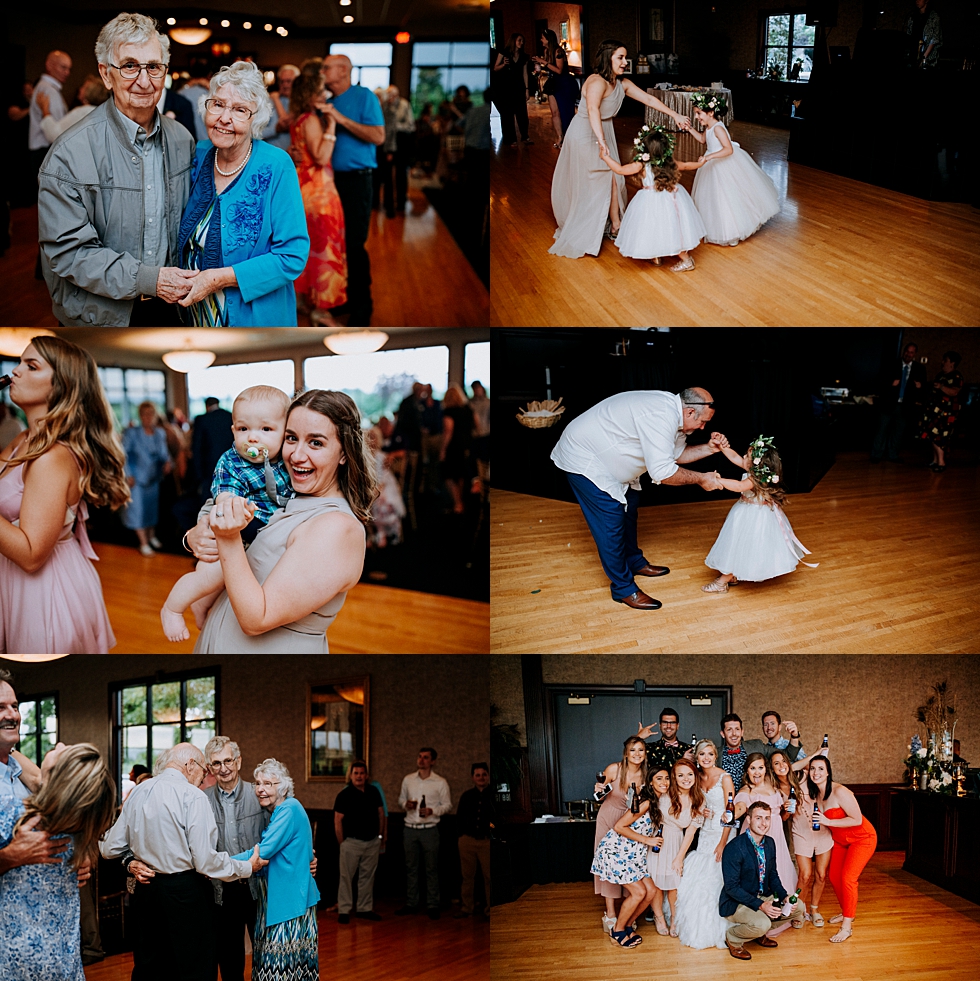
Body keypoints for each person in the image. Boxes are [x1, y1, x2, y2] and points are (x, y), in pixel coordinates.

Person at [186, 390, 377, 653]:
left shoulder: (337, 527)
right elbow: (222, 509)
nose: (297, 455)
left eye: (316, 443)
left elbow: (257, 619)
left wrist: (227, 538)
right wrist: (197, 535)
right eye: (291, 438)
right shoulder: (284, 493)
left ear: (344, 453)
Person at [38, 14, 197, 326]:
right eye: (129, 66)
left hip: (173, 309)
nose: (144, 80)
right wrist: (150, 279)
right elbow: (69, 253)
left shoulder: (182, 139)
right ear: (106, 74)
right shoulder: (69, 153)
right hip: (100, 317)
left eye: (153, 66)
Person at [0, 336, 129, 657]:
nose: (14, 372)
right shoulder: (22, 439)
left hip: (43, 591)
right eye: (19, 363)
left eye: (31, 366)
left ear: (62, 387)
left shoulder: (52, 456)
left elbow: (31, 554)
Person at [550, 387, 727, 610]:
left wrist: (709, 449)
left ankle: (633, 561)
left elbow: (676, 455)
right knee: (610, 519)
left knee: (630, 505)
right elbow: (663, 473)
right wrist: (702, 479)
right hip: (584, 458)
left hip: (609, 458)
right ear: (690, 412)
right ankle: (623, 589)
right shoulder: (661, 416)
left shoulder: (676, 415)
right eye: (702, 422)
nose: (703, 427)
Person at [100, 744, 266, 981]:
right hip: (186, 893)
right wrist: (247, 867)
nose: (203, 779)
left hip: (147, 892)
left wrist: (129, 862)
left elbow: (109, 848)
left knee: (150, 965)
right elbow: (205, 862)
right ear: (190, 765)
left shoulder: (139, 791)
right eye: (203, 770)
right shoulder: (193, 796)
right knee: (194, 966)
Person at [177, 60, 310, 326]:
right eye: (217, 104)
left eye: (239, 110)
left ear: (256, 119)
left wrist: (217, 278)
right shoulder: (197, 154)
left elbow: (292, 255)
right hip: (193, 315)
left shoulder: (276, 165)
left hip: (253, 318)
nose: (224, 118)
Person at [161, 386, 291, 642]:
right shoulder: (231, 461)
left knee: (229, 579)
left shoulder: (286, 461)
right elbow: (225, 498)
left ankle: (202, 604)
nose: (253, 438)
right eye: (244, 429)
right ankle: (173, 608)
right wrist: (235, 509)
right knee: (211, 575)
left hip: (254, 528)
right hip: (224, 518)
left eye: (265, 429)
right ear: (233, 431)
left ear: (285, 433)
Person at [549, 39, 693, 259]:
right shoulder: (596, 82)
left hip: (604, 131)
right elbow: (592, 110)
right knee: (599, 177)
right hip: (586, 132)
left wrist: (675, 115)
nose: (625, 62)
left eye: (626, 57)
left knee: (614, 176)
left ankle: (615, 224)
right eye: (621, 57)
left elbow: (648, 99)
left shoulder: (622, 84)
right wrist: (601, 140)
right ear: (608, 58)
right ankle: (603, 224)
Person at [0, 742, 115, 981]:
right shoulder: (79, 830)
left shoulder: (15, 817)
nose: (61, 743)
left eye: (64, 750)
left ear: (58, 780)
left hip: (16, 958)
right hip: (62, 958)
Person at [231, 759, 319, 980]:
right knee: (283, 968)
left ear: (283, 788)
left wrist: (218, 863)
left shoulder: (288, 809)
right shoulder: (279, 811)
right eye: (258, 783)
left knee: (281, 970)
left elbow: (263, 852)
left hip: (289, 902)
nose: (261, 789)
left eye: (269, 783)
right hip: (283, 898)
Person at [703, 434, 817, 592]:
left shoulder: (755, 479)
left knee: (739, 545)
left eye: (747, 455)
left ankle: (722, 582)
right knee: (739, 545)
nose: (743, 456)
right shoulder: (757, 471)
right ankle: (733, 573)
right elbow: (735, 457)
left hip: (753, 516)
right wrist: (723, 448)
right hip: (749, 510)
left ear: (756, 464)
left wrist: (718, 481)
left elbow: (738, 486)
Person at [321, 54, 386, 327]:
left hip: (358, 181)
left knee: (355, 245)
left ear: (343, 71)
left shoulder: (363, 96)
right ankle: (345, 298)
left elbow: (378, 137)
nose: (323, 71)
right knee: (337, 244)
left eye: (327, 67)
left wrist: (340, 118)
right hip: (331, 181)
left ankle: (363, 306)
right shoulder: (327, 102)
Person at [599, 125, 705, 272]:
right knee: (671, 229)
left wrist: (605, 157)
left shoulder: (641, 165)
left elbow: (620, 170)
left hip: (649, 201)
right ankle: (665, 256)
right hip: (670, 199)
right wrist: (700, 163)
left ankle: (682, 260)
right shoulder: (669, 163)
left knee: (652, 227)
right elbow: (686, 166)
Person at [290, 58, 347, 328]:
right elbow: (322, 157)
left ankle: (303, 300)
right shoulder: (311, 119)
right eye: (321, 90)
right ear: (312, 94)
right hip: (319, 193)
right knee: (324, 248)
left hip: (305, 189)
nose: (325, 94)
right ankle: (321, 310)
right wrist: (332, 125)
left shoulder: (299, 118)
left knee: (310, 246)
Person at [688, 92, 781, 246]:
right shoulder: (709, 127)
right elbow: (703, 139)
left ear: (710, 113)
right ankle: (714, 227)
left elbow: (728, 149)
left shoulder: (718, 128)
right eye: (696, 113)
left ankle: (732, 231)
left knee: (727, 197)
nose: (697, 117)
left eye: (699, 113)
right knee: (713, 198)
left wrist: (709, 158)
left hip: (722, 163)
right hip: (712, 163)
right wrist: (689, 128)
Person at [719, 800, 805, 960]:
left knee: (798, 907)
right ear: (748, 820)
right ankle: (734, 938)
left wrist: (784, 896)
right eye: (758, 818)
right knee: (763, 924)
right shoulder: (734, 848)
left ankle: (758, 933)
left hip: (763, 895)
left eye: (767, 818)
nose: (763, 823)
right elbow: (731, 888)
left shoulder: (770, 843)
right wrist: (761, 905)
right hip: (738, 902)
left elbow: (772, 874)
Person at [590, 766, 664, 948]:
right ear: (650, 782)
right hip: (617, 852)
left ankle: (628, 925)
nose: (664, 782)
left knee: (651, 891)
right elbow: (619, 826)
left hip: (633, 854)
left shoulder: (656, 802)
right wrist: (648, 840)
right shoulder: (645, 802)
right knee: (639, 892)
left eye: (667, 778)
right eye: (659, 778)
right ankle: (618, 930)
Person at [809, 754, 877, 943]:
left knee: (848, 878)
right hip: (840, 840)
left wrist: (828, 821)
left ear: (828, 772)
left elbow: (856, 819)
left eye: (821, 768)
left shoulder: (840, 792)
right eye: (813, 769)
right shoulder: (817, 793)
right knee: (834, 877)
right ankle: (847, 911)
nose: (816, 772)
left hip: (862, 838)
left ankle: (846, 927)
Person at [675, 739, 735, 949]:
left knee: (718, 876)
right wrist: (701, 810)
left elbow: (731, 812)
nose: (706, 758)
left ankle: (724, 926)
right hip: (705, 832)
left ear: (715, 756)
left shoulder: (725, 778)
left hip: (723, 831)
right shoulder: (695, 778)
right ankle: (695, 923)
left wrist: (722, 843)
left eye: (710, 754)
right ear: (697, 757)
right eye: (702, 754)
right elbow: (693, 804)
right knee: (701, 877)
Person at [592, 736, 648, 933]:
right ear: (626, 753)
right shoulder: (614, 769)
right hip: (608, 818)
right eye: (633, 750)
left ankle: (627, 909)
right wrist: (598, 789)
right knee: (609, 864)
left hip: (631, 823)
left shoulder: (646, 774)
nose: (637, 754)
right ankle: (610, 914)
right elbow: (600, 795)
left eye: (641, 750)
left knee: (628, 864)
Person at [773, 750, 832, 928]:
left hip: (822, 831)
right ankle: (800, 909)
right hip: (801, 833)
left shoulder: (805, 776)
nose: (782, 765)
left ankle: (814, 909)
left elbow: (818, 770)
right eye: (776, 763)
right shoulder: (775, 790)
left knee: (821, 875)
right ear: (771, 768)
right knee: (805, 876)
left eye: (784, 761)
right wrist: (787, 811)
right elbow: (783, 818)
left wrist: (814, 754)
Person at [648, 758, 703, 937]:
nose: (685, 778)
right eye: (680, 775)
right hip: (656, 840)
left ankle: (674, 918)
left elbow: (691, 831)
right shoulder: (664, 792)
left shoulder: (699, 798)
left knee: (674, 884)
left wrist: (680, 857)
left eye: (689, 774)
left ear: (695, 775)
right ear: (674, 777)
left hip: (677, 841)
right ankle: (659, 918)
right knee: (656, 882)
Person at [733, 753, 797, 906]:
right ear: (747, 771)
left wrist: (787, 810)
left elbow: (783, 817)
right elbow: (740, 807)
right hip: (757, 834)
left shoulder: (772, 784)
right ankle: (760, 909)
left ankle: (783, 908)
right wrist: (730, 814)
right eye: (752, 768)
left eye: (760, 768)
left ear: (766, 769)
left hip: (776, 834)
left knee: (779, 868)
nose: (757, 772)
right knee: (758, 870)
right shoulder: (747, 790)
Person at [396, 747, 452, 919]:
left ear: (432, 761)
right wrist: (406, 805)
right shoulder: (408, 780)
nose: (421, 760)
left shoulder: (440, 782)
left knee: (431, 868)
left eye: (425, 757)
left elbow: (447, 805)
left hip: (430, 830)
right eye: (419, 757)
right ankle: (411, 903)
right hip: (410, 829)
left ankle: (433, 905)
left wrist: (432, 811)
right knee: (411, 868)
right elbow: (400, 800)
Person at [334, 759, 386, 923]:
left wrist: (379, 836)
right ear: (350, 775)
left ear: (367, 775)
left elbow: (381, 814)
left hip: (372, 842)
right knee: (346, 877)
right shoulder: (344, 794)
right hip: (351, 843)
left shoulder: (373, 792)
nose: (359, 776)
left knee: (367, 877)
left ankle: (364, 909)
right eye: (355, 773)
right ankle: (344, 910)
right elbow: (337, 821)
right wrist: (343, 843)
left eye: (362, 773)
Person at [122, 402, 172, 557]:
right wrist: (127, 475)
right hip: (136, 478)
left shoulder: (159, 433)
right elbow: (122, 455)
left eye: (150, 413)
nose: (147, 417)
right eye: (144, 414)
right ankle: (143, 543)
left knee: (151, 509)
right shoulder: (131, 433)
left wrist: (168, 462)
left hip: (153, 477)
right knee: (138, 511)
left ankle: (151, 537)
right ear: (140, 415)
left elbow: (165, 454)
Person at [871, 341, 926, 463]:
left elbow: (923, 388)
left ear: (915, 354)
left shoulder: (919, 369)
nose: (908, 354)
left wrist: (920, 386)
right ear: (903, 351)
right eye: (907, 351)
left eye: (911, 353)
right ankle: (876, 455)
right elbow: (880, 381)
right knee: (882, 430)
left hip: (905, 405)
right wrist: (891, 384)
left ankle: (893, 455)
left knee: (898, 432)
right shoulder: (892, 364)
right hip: (888, 403)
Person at [28, 51, 72, 182]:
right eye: (63, 67)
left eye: (69, 69)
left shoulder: (46, 87)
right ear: (49, 65)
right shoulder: (48, 90)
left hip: (43, 150)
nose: (67, 73)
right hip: (45, 150)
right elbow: (56, 131)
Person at [456, 762, 492, 920]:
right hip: (467, 841)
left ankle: (490, 911)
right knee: (467, 877)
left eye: (484, 774)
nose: (481, 778)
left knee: (489, 877)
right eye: (477, 775)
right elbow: (459, 818)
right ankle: (467, 908)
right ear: (472, 777)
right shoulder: (466, 796)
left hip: (486, 842)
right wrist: (461, 836)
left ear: (488, 776)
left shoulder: (493, 795)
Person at [917, 350, 963, 473]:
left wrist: (941, 387)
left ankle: (941, 462)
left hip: (947, 414)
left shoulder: (956, 376)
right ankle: (935, 460)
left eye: (946, 360)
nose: (943, 363)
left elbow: (954, 392)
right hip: (934, 412)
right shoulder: (941, 375)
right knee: (932, 436)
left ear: (952, 363)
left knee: (940, 438)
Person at [531, 32, 578, 147]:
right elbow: (550, 70)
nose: (541, 40)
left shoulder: (559, 51)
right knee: (555, 112)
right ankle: (560, 137)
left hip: (564, 84)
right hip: (553, 83)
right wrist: (539, 68)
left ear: (548, 39)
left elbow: (559, 70)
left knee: (566, 111)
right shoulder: (547, 51)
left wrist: (543, 62)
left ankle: (569, 138)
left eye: (542, 38)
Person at [35, 76, 110, 144]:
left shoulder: (82, 112)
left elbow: (55, 135)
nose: (80, 89)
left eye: (83, 87)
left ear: (89, 92)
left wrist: (45, 110)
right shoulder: (103, 113)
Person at [439, 383, 475, 515]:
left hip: (454, 447)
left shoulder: (449, 412)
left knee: (448, 475)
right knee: (460, 475)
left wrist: (443, 450)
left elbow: (448, 430)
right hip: (467, 445)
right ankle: (460, 502)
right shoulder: (468, 410)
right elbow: (476, 424)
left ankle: (458, 503)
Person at [191, 396, 234, 500]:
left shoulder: (201, 420)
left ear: (207, 406)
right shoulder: (230, 416)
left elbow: (196, 448)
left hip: (209, 468)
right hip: (230, 465)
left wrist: (198, 477)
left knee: (209, 501)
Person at [493, 34, 531, 147]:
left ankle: (525, 136)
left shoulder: (523, 56)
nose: (521, 43)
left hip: (519, 87)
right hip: (506, 87)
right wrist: (504, 64)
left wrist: (527, 89)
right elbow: (495, 68)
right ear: (513, 41)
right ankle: (510, 139)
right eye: (519, 40)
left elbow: (525, 73)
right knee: (507, 114)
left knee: (522, 113)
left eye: (522, 41)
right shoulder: (504, 53)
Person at [638, 707, 693, 771]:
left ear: (677, 726)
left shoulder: (689, 749)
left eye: (672, 723)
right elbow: (628, 757)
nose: (668, 726)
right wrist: (638, 737)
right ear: (660, 725)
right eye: (665, 722)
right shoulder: (649, 748)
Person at [264, 64, 301, 150]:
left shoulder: (303, 103)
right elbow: (255, 133)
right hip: (272, 155)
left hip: (299, 159)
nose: (285, 85)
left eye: (289, 81)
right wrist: (275, 129)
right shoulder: (268, 102)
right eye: (282, 81)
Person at [906, 0, 942, 68]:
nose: (917, 1)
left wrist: (924, 57)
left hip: (928, 57)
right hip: (913, 54)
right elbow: (909, 33)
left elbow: (935, 38)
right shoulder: (913, 16)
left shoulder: (933, 17)